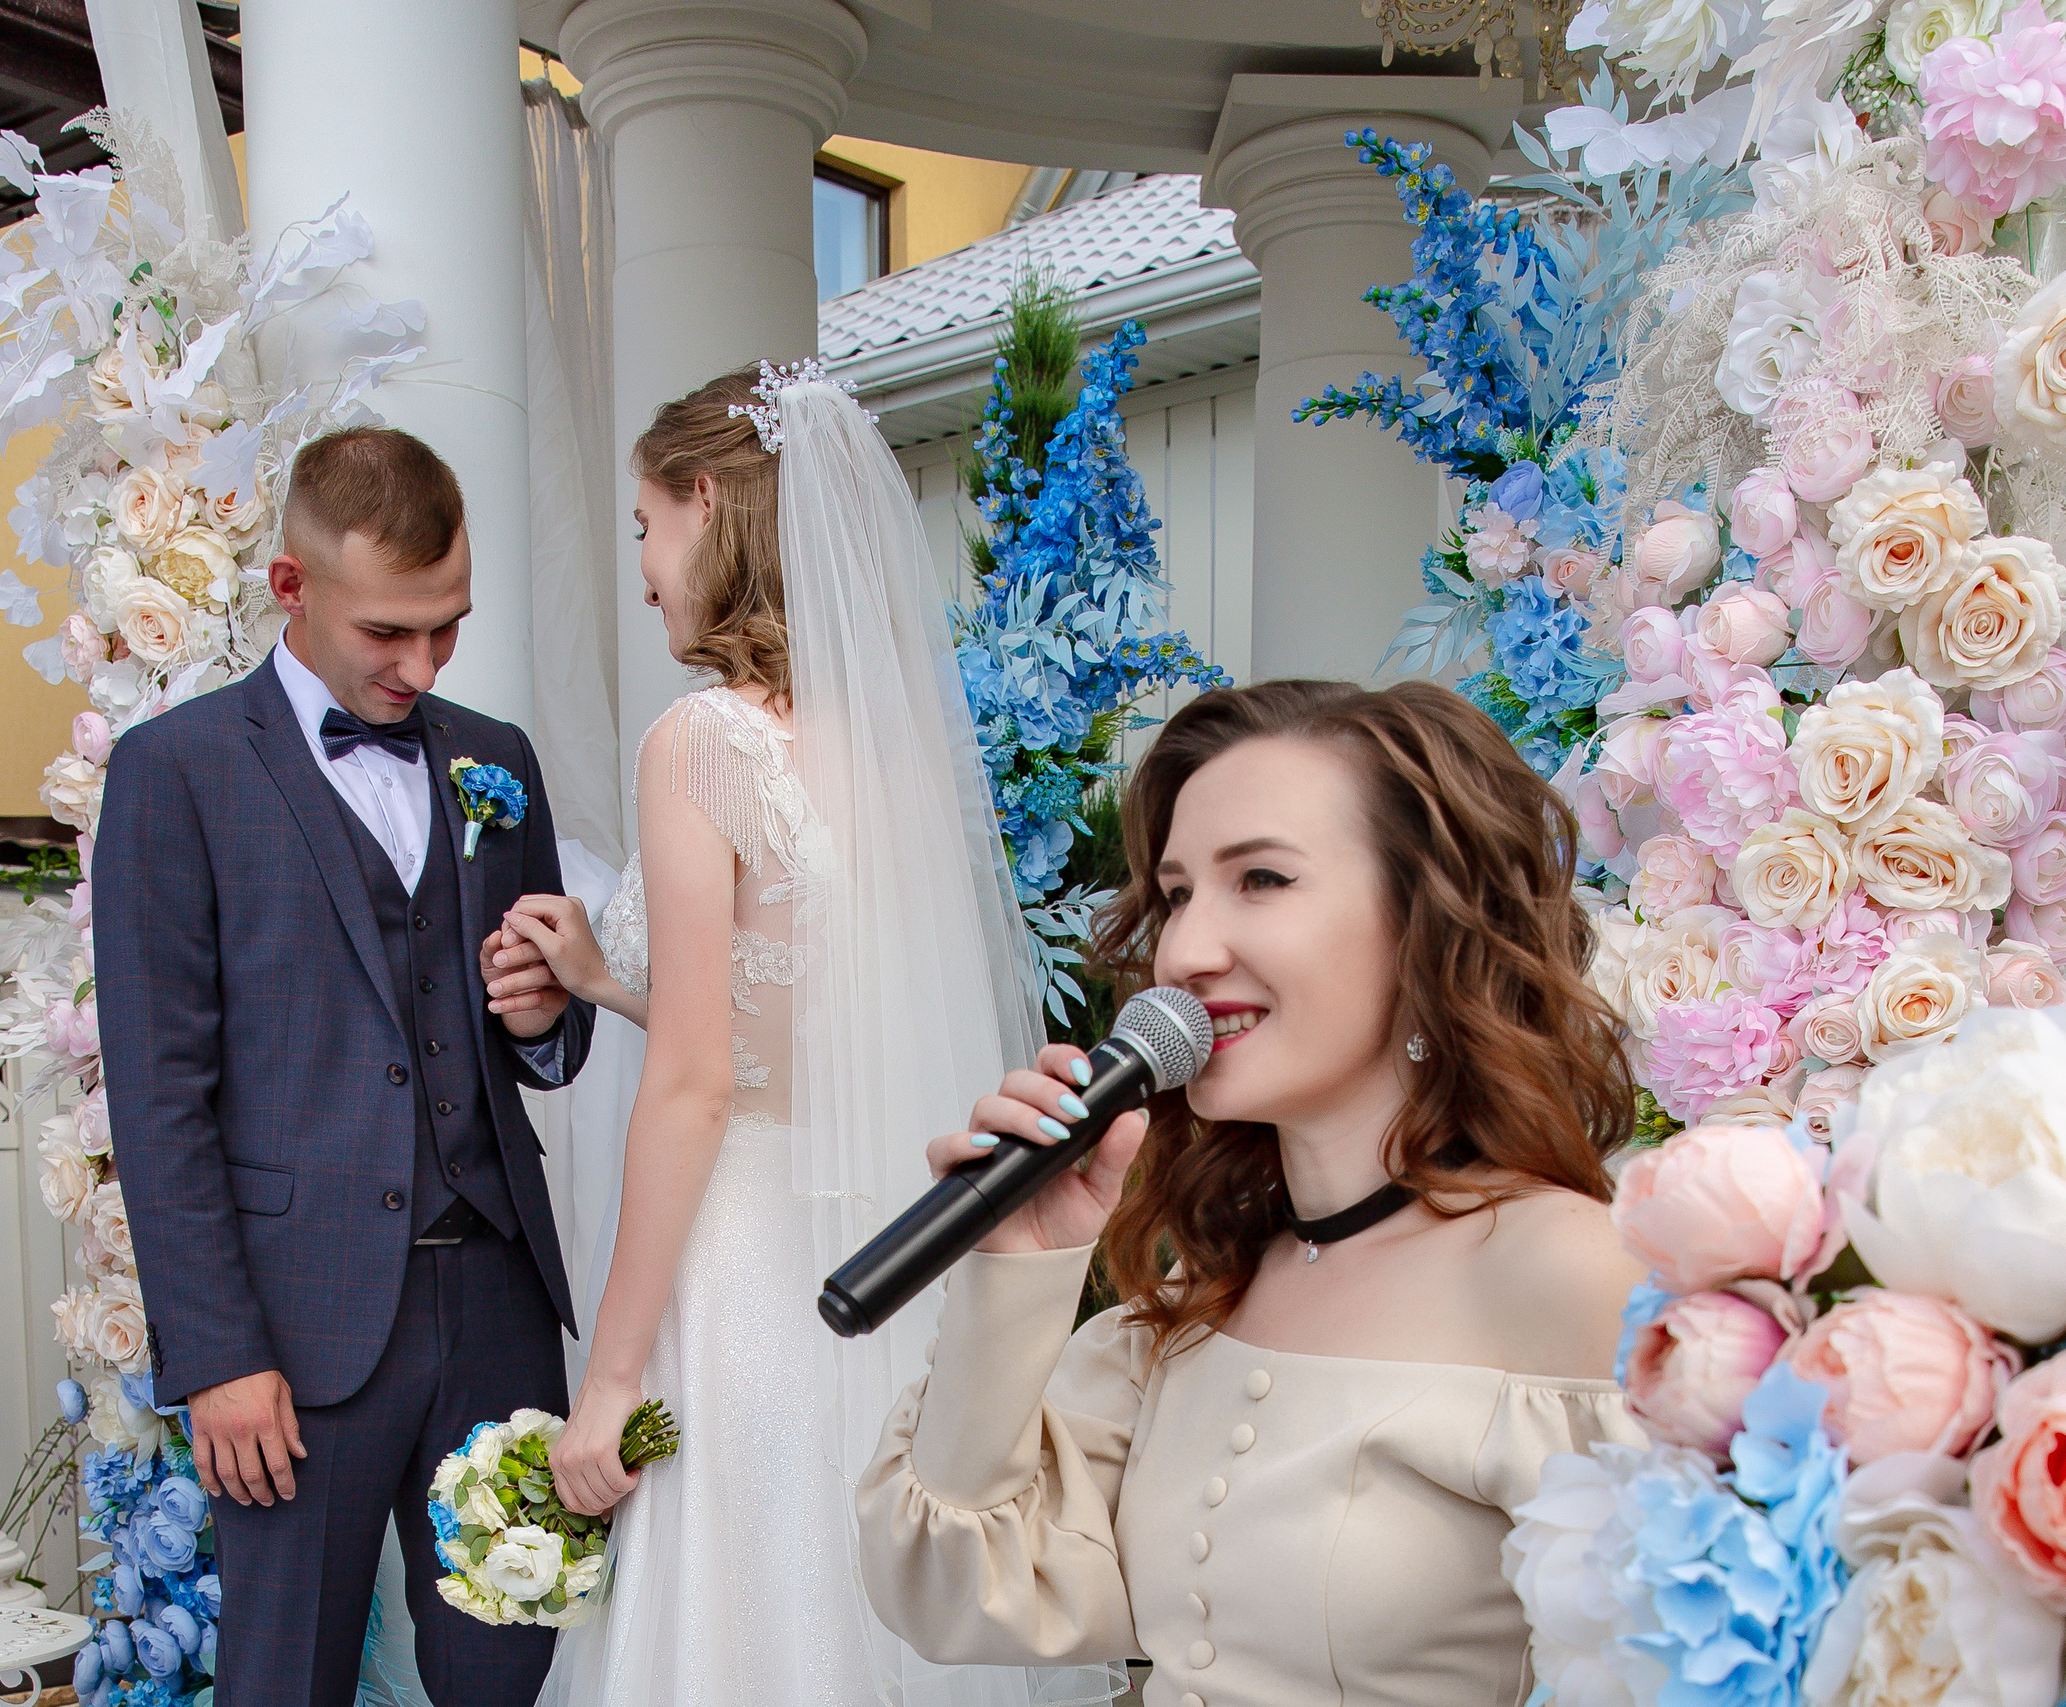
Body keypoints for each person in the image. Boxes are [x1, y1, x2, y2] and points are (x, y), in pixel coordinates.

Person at [496, 364, 1122, 1707]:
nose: (648, 569)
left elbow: (699, 1083)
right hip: (885, 1244)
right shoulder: (887, 750)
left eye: (649, 527)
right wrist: (612, 980)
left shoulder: (701, 740)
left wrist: (604, 1380)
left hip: (742, 1258)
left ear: (710, 505)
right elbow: (807, 1019)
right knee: (867, 1575)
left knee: (738, 1596)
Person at [855, 678, 1649, 1707]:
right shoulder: (1209, 1292)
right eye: (1177, 893)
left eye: (1262, 880)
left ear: (1428, 925)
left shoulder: (1575, 1270)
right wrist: (1012, 1267)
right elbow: (958, 1596)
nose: (1183, 952)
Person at [93, 425, 594, 1707]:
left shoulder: (497, 760)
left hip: (496, 1310)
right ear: (291, 587)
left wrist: (542, 1015)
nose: (421, 665)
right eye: (389, 633)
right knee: (285, 1685)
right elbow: (158, 1097)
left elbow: (547, 1038)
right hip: (289, 1339)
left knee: (503, 1675)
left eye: (448, 627)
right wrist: (214, 1353)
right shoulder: (175, 775)